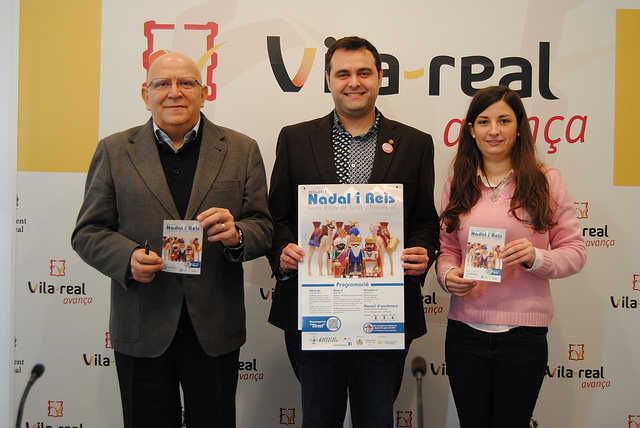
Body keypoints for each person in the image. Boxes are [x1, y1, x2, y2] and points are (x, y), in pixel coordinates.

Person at [71, 51, 272, 428]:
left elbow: (263, 225)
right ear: (145, 94)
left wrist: (237, 235)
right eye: (162, 83)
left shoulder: (241, 149)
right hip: (142, 325)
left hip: (214, 327)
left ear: (204, 92)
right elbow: (87, 231)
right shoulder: (114, 151)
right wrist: (127, 258)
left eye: (186, 83)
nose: (174, 92)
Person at [268, 36, 439, 428]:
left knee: (376, 419)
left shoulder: (415, 144)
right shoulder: (295, 139)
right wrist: (282, 250)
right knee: (318, 418)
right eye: (343, 73)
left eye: (364, 72)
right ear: (329, 80)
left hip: (384, 312)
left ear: (380, 77)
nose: (354, 82)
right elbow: (275, 217)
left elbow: (425, 221)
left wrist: (421, 251)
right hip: (314, 312)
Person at [437, 85, 586, 428]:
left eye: (504, 120)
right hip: (464, 333)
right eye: (484, 121)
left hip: (524, 336)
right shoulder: (457, 184)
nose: (494, 130)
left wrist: (537, 258)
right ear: (471, 130)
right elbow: (448, 250)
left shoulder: (547, 181)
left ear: (519, 127)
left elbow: (575, 252)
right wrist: (447, 276)